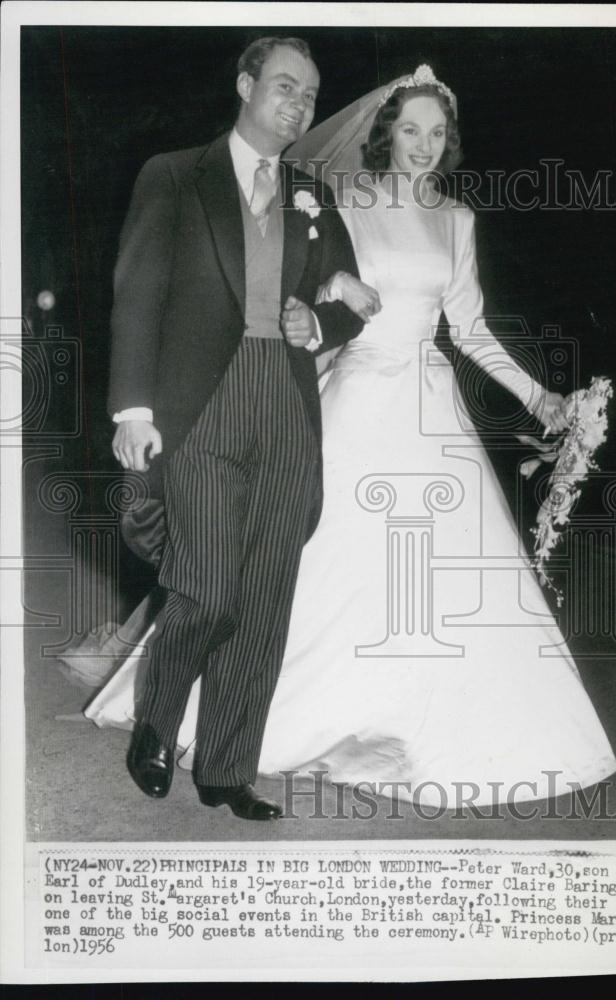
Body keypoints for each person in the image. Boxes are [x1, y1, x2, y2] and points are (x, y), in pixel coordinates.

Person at [85, 65, 616, 810]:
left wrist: (540, 397)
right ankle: (191, 718)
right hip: (355, 395)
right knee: (268, 570)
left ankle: (398, 730)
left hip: (428, 408)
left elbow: (470, 329)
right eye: (411, 130)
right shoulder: (343, 200)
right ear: (386, 134)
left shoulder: (457, 220)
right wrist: (333, 294)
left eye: (438, 133)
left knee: (421, 576)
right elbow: (303, 277)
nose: (424, 145)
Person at [105, 36, 364, 820]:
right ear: (246, 85)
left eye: (309, 95)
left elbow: (352, 303)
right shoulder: (174, 174)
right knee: (209, 590)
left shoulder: (312, 195)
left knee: (264, 597)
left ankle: (226, 766)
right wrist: (133, 411)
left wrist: (317, 323)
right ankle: (157, 721)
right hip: (201, 404)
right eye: (284, 86)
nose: (298, 104)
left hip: (285, 402)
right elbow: (137, 291)